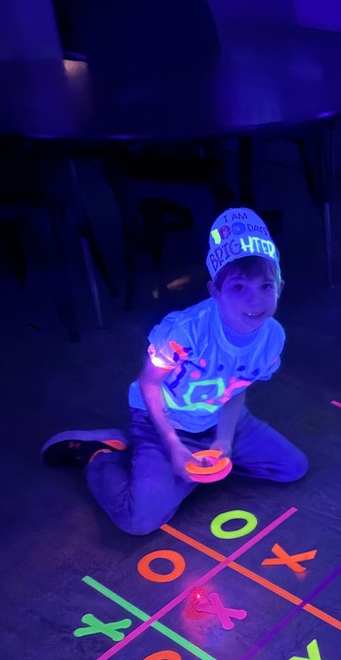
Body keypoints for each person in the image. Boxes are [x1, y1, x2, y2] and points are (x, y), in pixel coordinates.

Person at [41, 208, 308, 535]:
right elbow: (149, 384)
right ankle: (100, 456)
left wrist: (224, 440)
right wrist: (172, 444)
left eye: (266, 286)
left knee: (291, 467)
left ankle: (192, 470)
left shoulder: (272, 337)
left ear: (280, 286)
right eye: (239, 287)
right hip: (163, 423)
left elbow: (237, 388)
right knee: (138, 521)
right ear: (214, 292)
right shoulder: (184, 331)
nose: (255, 300)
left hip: (218, 419)